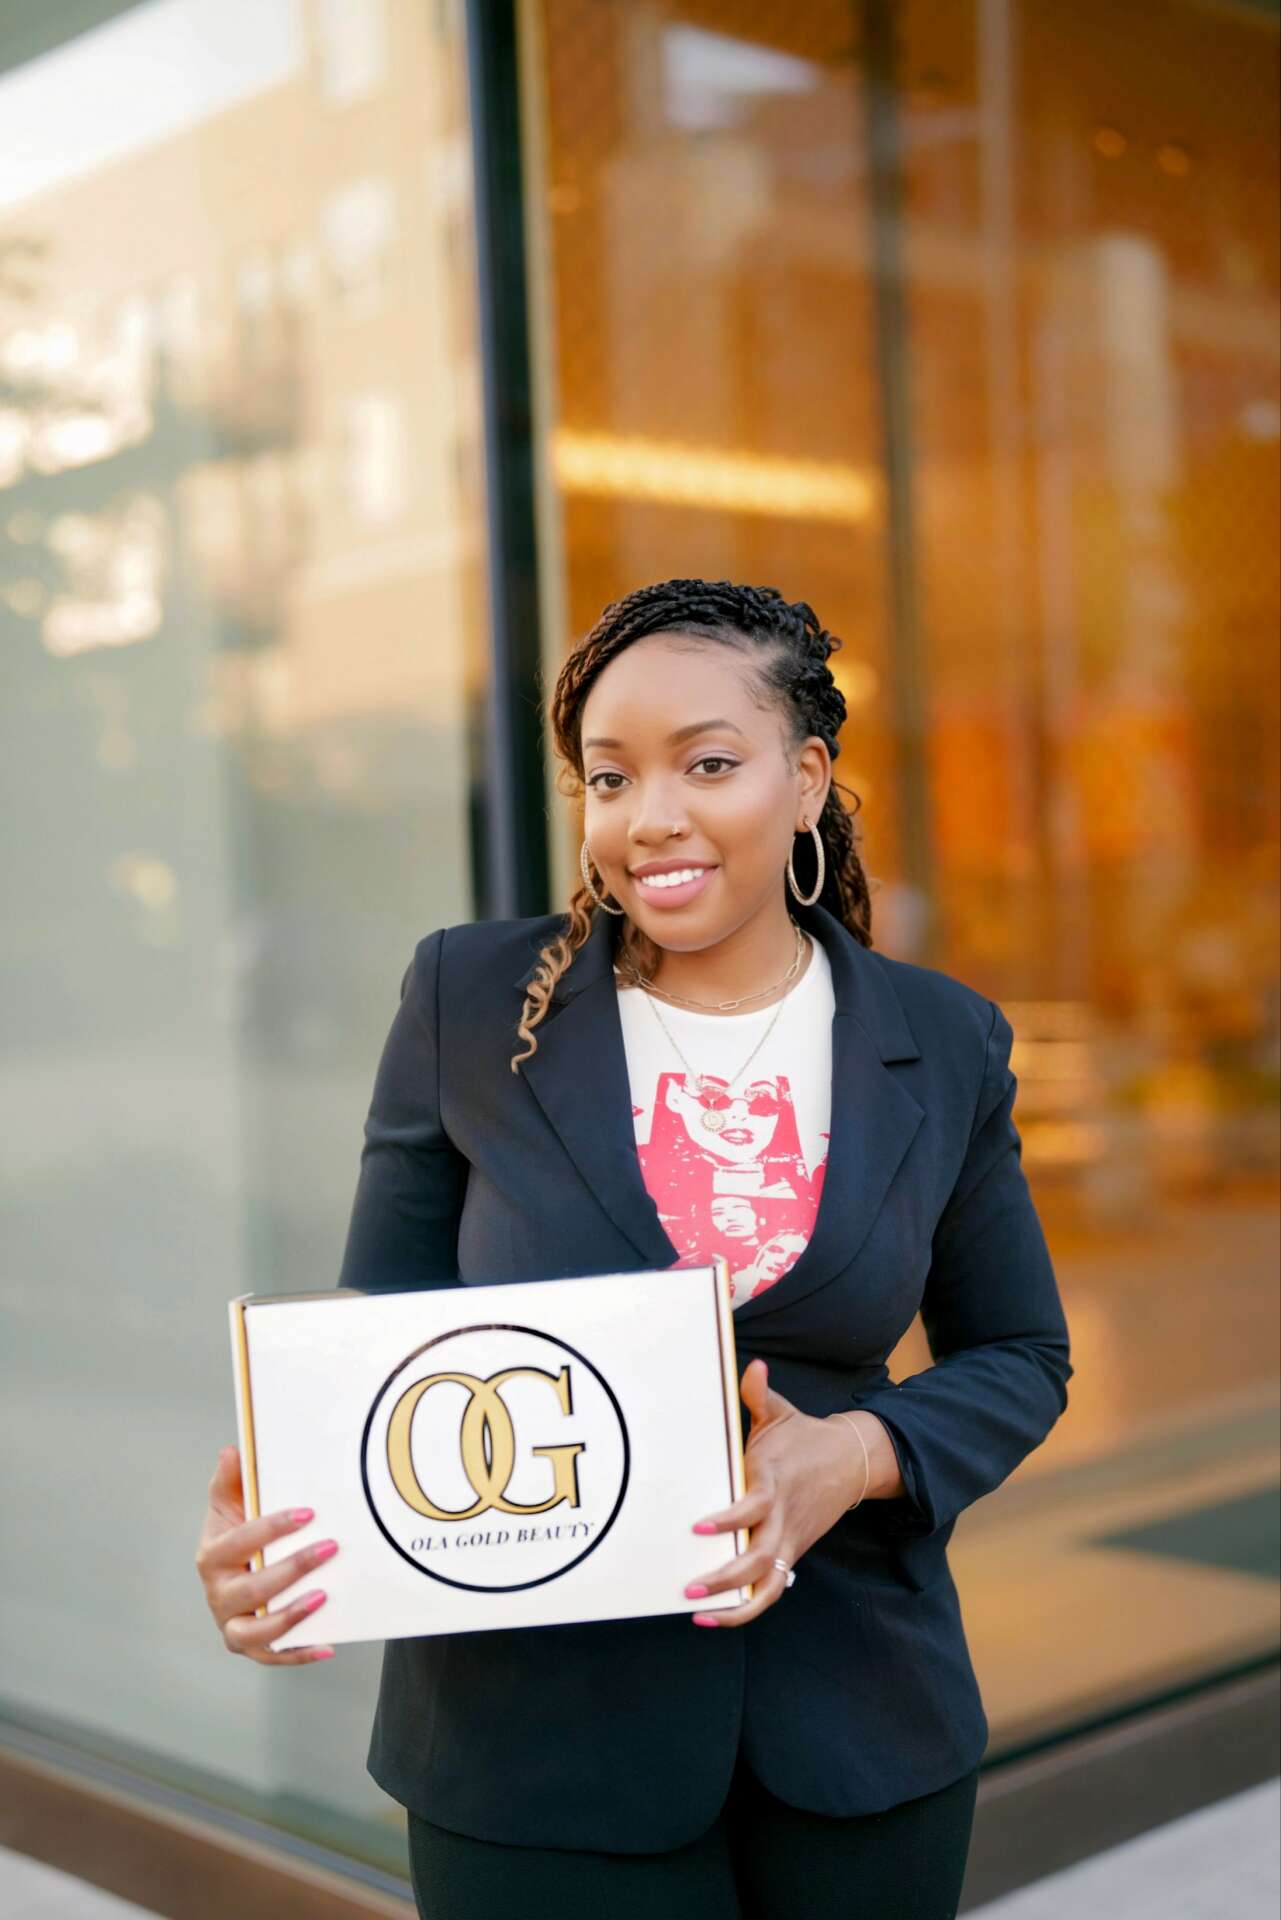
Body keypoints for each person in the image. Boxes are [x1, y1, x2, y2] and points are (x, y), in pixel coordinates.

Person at [196, 579, 1073, 1919]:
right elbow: (384, 1340)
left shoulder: (943, 1039)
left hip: (857, 1725)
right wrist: (290, 1525)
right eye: (608, 778)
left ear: (805, 778)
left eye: (707, 764)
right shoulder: (469, 1002)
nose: (648, 816)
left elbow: (1018, 1353)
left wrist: (853, 1454)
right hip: (528, 1746)